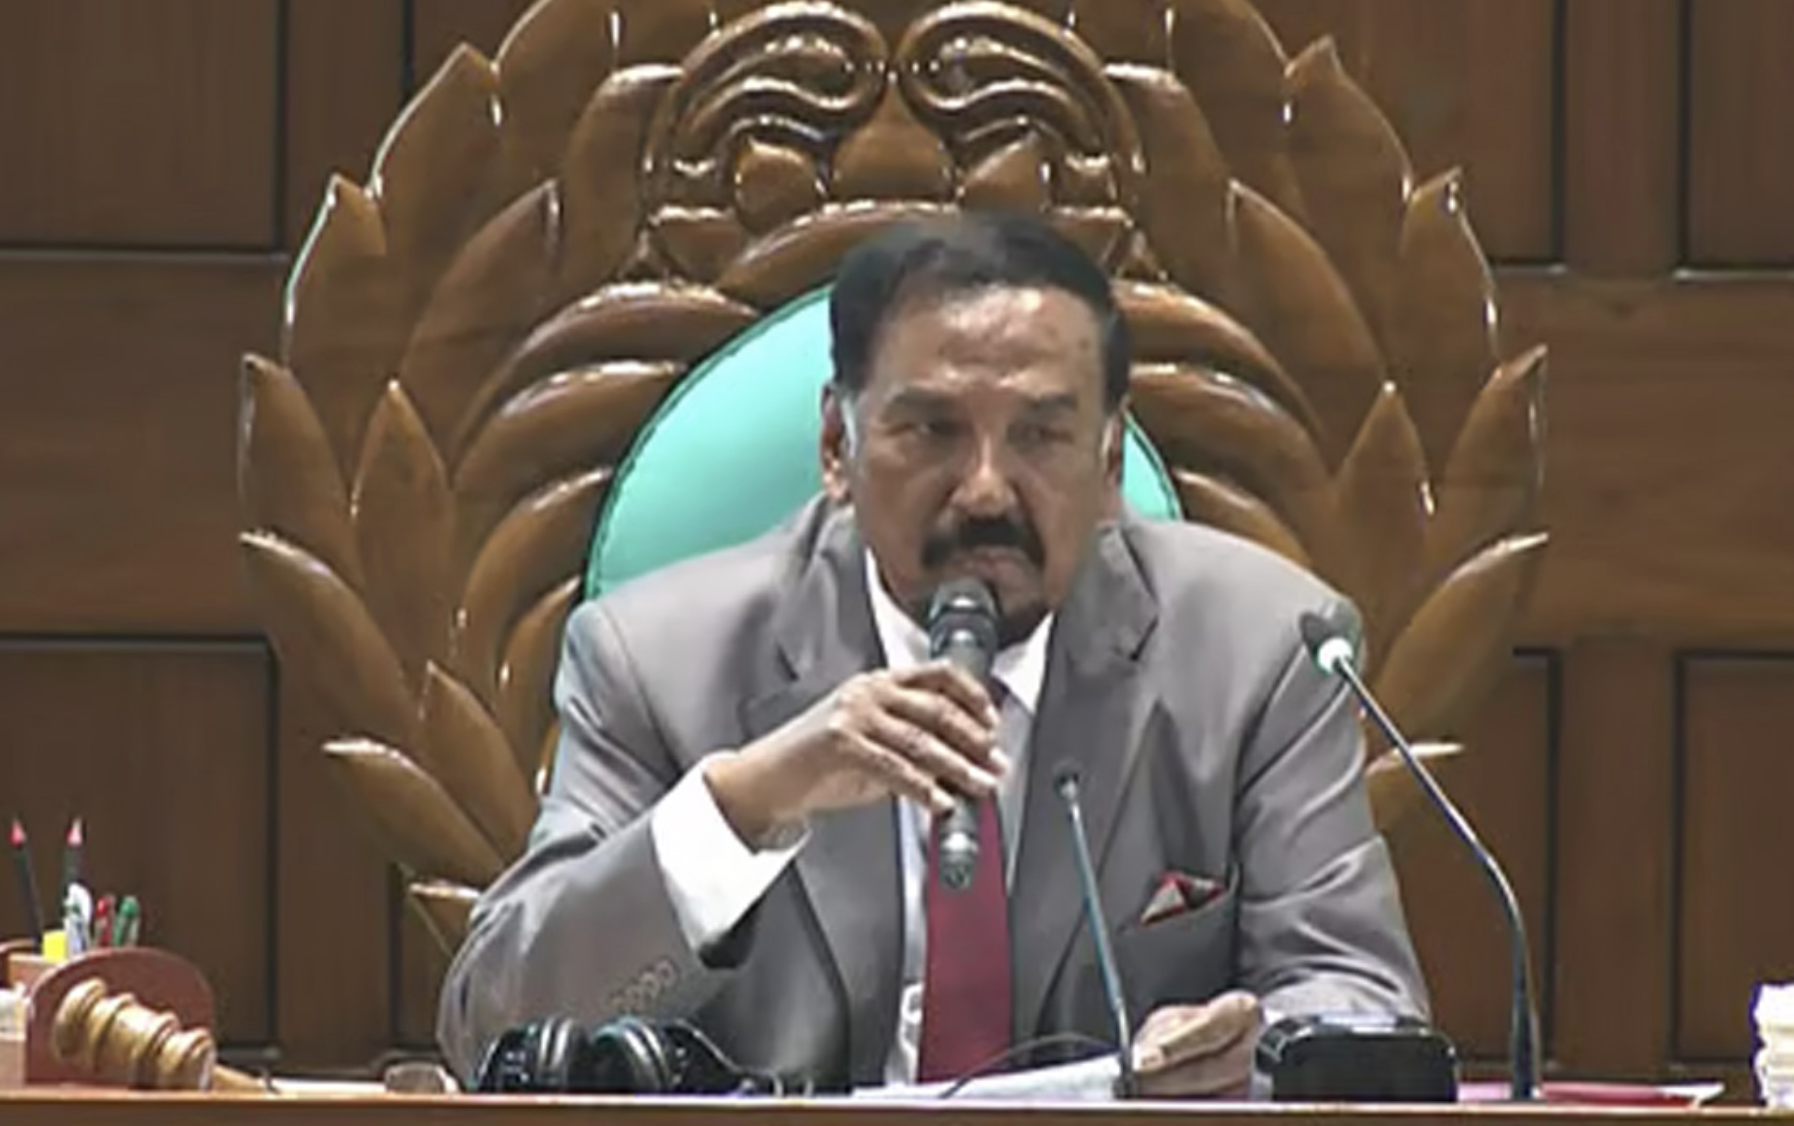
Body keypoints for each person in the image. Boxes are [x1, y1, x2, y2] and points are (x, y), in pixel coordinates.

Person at [437, 212, 1428, 1095]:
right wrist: (748, 801)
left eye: (1041, 435)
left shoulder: (1262, 651)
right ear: (838, 443)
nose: (986, 489)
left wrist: (1237, 1066)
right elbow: (497, 1023)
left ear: (1108, 458)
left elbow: (1357, 1002)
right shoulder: (657, 659)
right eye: (931, 431)